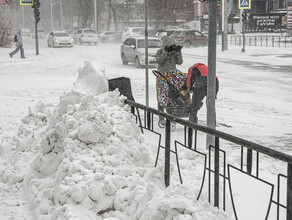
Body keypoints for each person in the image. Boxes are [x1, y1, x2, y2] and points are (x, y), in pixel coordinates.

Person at [156, 36, 183, 127]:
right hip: (162, 77)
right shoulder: (160, 51)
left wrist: (178, 52)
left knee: (172, 97)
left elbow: (180, 62)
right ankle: (161, 118)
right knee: (162, 97)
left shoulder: (174, 53)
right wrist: (165, 52)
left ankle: (171, 117)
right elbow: (160, 61)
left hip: (172, 78)